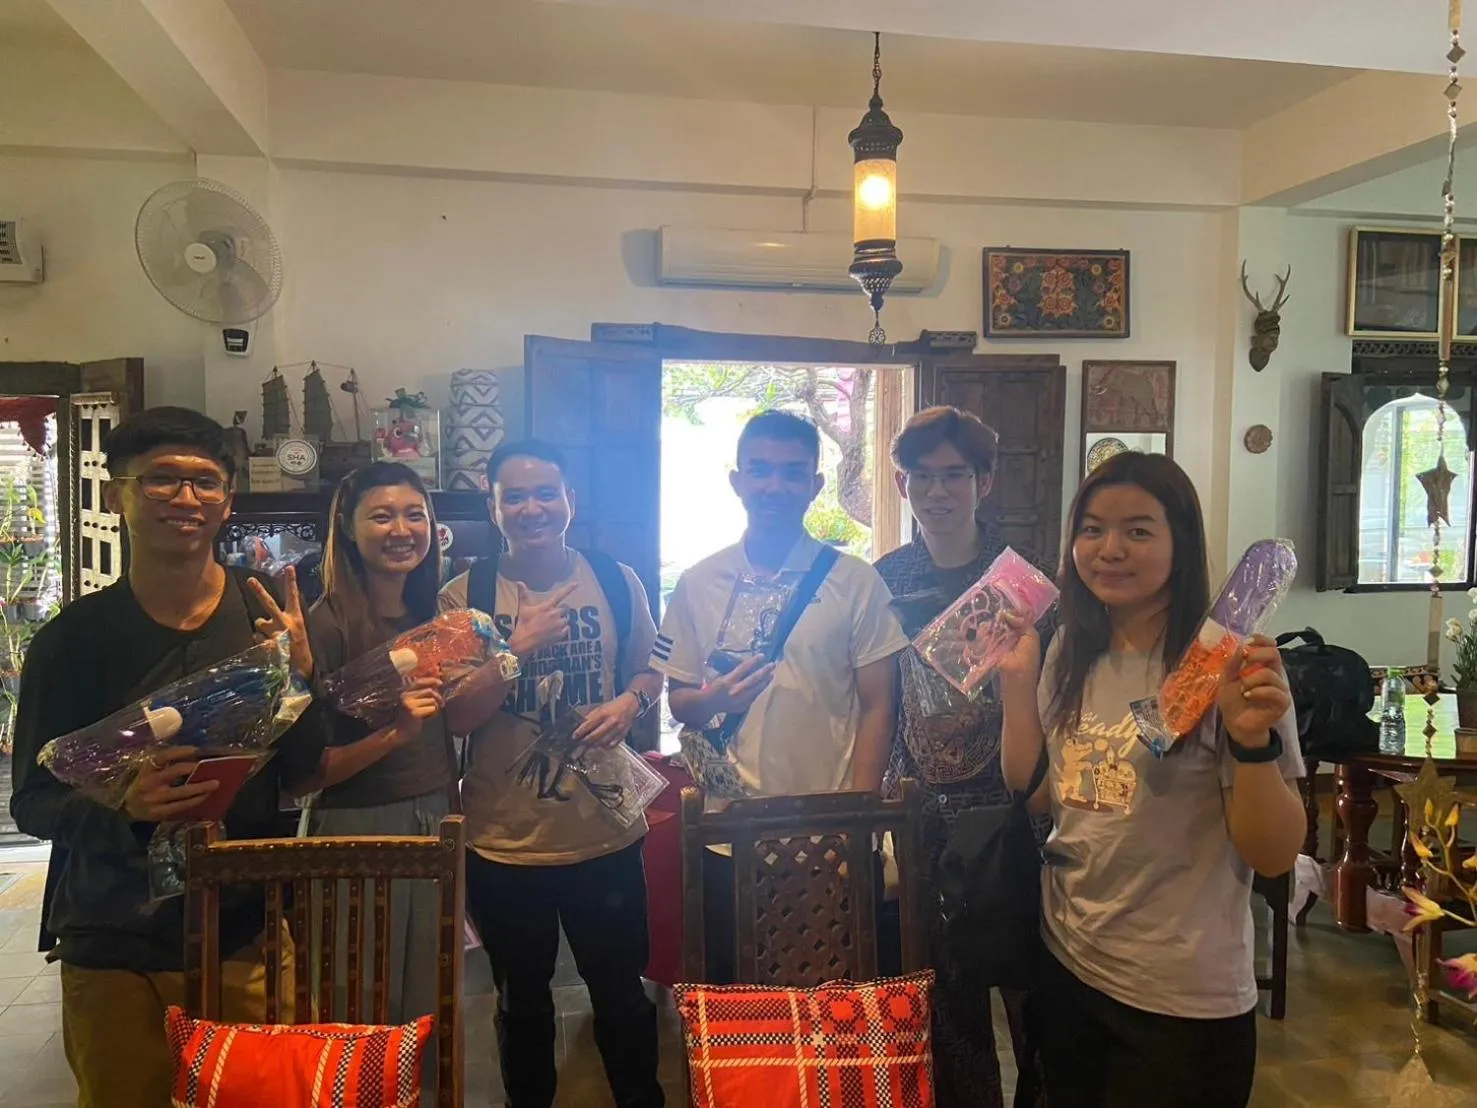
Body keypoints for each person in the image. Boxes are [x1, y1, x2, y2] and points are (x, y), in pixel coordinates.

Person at [7, 406, 325, 1108]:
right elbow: (31, 800)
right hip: (112, 940)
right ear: (117, 495)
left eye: (205, 483)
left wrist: (302, 674)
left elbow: (302, 773)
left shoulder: (268, 619)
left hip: (245, 927)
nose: (186, 499)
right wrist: (125, 809)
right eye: (160, 481)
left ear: (228, 501)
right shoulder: (71, 643)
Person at [997, 452, 1305, 1108]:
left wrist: (1251, 743)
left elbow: (1273, 854)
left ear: (1179, 542)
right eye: (1091, 529)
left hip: (1178, 994)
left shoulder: (1225, 665)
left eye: (1137, 530)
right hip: (1068, 961)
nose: (1109, 549)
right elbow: (1039, 791)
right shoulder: (1069, 649)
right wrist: (1016, 688)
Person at [439, 438, 665, 1108]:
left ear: (570, 500)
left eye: (546, 493)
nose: (532, 507)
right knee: (522, 1003)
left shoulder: (612, 577)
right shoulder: (464, 596)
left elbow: (649, 668)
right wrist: (515, 647)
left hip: (605, 833)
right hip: (504, 842)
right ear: (494, 505)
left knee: (622, 995)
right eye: (515, 495)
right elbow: (457, 716)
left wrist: (630, 702)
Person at [652, 410, 909, 982]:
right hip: (728, 830)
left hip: (830, 831)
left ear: (814, 485)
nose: (774, 486)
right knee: (740, 993)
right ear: (737, 480)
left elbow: (877, 705)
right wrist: (714, 695)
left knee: (836, 994)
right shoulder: (699, 582)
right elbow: (680, 703)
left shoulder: (854, 580)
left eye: (792, 473)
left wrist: (856, 820)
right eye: (760, 471)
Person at [873, 406, 1046, 1108]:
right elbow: (877, 704)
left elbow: (1053, 702)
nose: (938, 491)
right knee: (947, 1006)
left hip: (1013, 813)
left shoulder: (1024, 585)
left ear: (986, 481)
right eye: (922, 477)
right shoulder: (880, 581)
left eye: (954, 475)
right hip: (924, 820)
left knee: (1035, 995)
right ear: (900, 483)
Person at [299, 462, 466, 1026]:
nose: (402, 529)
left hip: (438, 815)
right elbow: (304, 775)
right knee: (360, 1008)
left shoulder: (434, 617)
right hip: (358, 826)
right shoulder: (325, 625)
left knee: (429, 1003)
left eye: (414, 514)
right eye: (382, 516)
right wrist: (396, 734)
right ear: (347, 528)